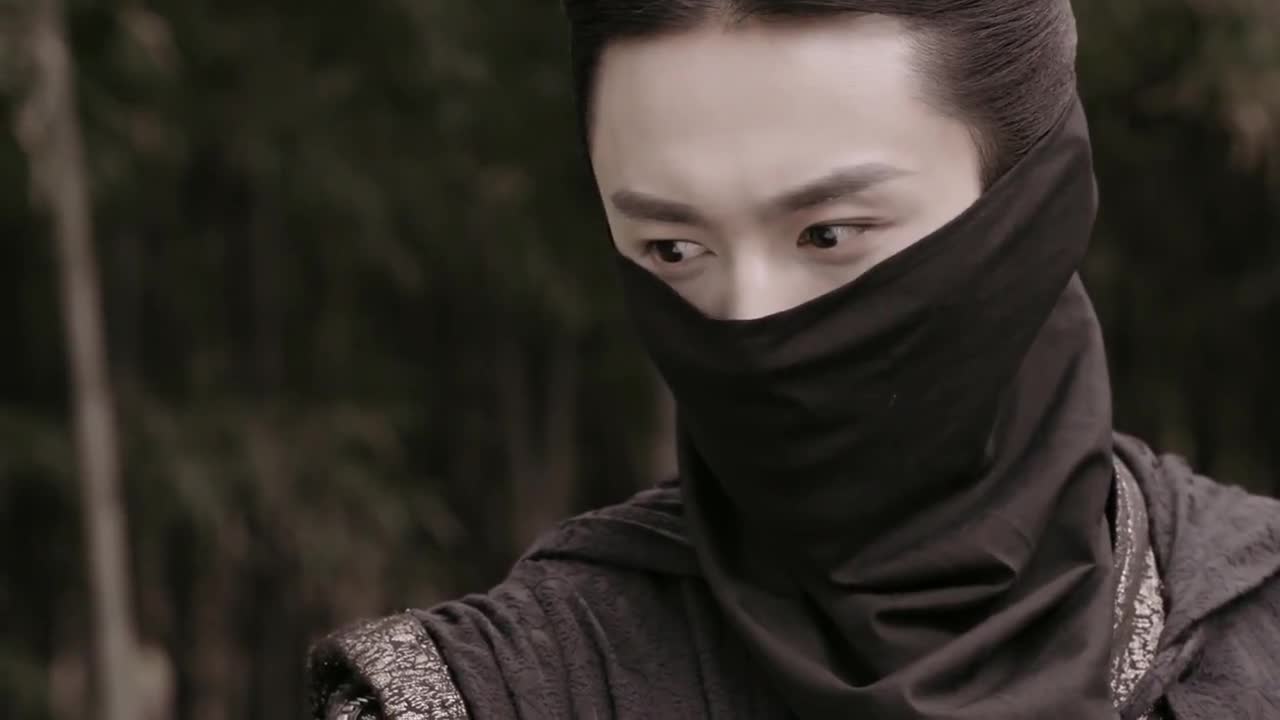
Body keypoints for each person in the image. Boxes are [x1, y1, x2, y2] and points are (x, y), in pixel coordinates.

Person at [308, 1, 1280, 718]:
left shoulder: (1256, 631)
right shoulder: (497, 693)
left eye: (827, 234)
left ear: (1031, 209)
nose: (748, 320)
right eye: (673, 248)